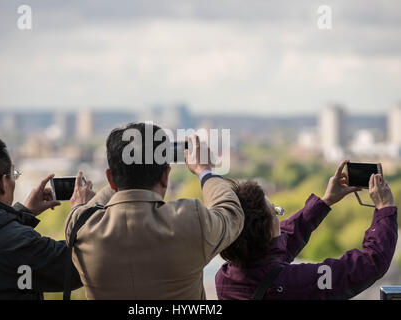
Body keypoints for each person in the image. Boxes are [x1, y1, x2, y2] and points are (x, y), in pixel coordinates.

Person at [65, 122, 244, 299]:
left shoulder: (80, 228)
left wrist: (122, 176)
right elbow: (230, 212)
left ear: (110, 179)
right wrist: (205, 171)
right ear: (165, 176)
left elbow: (81, 212)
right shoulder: (189, 222)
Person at [216, 160, 398, 300]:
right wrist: (384, 210)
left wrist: (325, 201)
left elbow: (282, 244)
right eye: (276, 212)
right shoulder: (292, 283)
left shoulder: (224, 278)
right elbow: (369, 264)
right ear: (265, 232)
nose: (280, 219)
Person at [0, 136, 94, 299]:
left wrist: (23, 214)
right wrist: (82, 211)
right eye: (14, 175)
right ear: (2, 184)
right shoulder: (17, 243)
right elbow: (81, 265)